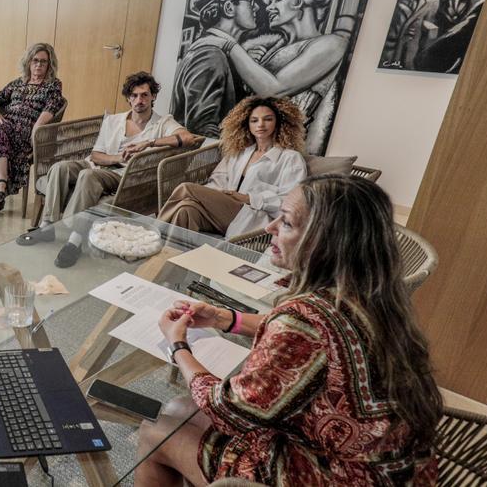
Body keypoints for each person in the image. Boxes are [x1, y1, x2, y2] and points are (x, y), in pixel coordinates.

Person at [139, 174, 441, 485]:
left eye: (286, 223)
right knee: (177, 408)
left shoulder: (303, 319)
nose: (269, 228)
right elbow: (313, 340)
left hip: (332, 474)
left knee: (154, 434)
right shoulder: (371, 295)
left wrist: (178, 346)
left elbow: (227, 407)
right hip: (394, 469)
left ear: (324, 242)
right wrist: (223, 319)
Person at [28, 73, 198, 266]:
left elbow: (188, 138)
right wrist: (117, 157)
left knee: (88, 176)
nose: (139, 100)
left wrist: (148, 142)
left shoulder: (162, 123)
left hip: (124, 174)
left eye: (144, 95)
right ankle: (47, 226)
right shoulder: (114, 121)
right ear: (128, 98)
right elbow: (96, 155)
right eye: (134, 96)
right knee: (60, 168)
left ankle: (74, 241)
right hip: (99, 163)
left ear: (153, 97)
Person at [196, 0, 347, 153]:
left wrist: (229, 44)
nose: (269, 7)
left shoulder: (332, 44)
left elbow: (274, 90)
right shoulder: (272, 48)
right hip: (254, 147)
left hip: (290, 150)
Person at [158, 95, 306, 238]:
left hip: (250, 217)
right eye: (254, 120)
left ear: (278, 122)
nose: (260, 124)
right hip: (223, 209)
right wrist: (214, 197)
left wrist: (249, 198)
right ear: (247, 124)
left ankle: (153, 232)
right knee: (186, 209)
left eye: (268, 119)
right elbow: (217, 181)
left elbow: (293, 204)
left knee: (186, 188)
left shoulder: (290, 158)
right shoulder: (239, 153)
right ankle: (169, 259)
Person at [171, 0, 259, 138]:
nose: (256, 7)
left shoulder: (216, 52)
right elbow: (201, 129)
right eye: (250, 0)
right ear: (228, 8)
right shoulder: (210, 55)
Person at [0, 43, 66, 218]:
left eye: (43, 61)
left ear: (50, 65)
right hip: (7, 127)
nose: (38, 65)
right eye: (35, 60)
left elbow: (51, 107)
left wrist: (36, 129)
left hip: (28, 132)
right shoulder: (17, 83)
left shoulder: (53, 85)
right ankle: (1, 187)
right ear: (28, 62)